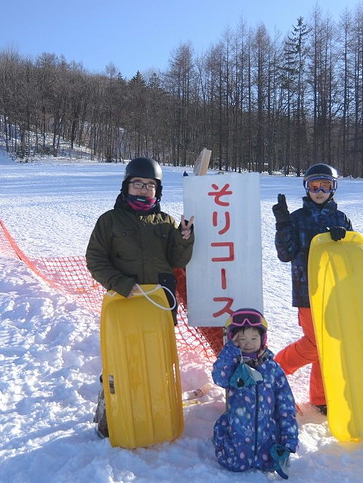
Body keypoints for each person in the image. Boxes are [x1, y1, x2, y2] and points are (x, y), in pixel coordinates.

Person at [86, 156, 195, 437]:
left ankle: (154, 412)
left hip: (159, 302)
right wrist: (120, 283)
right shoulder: (109, 221)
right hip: (126, 302)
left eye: (150, 185)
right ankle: (112, 411)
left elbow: (177, 259)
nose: (144, 189)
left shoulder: (165, 221)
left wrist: (184, 237)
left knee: (156, 360)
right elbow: (95, 260)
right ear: (126, 186)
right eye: (138, 183)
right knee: (123, 359)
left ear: (157, 191)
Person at [271, 163, 353, 416]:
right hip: (307, 290)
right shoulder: (297, 218)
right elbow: (285, 254)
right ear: (306, 189)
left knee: (328, 343)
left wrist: (345, 238)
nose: (319, 191)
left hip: (334, 291)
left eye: (325, 185)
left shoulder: (341, 219)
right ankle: (275, 368)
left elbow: (353, 255)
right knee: (315, 343)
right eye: (314, 186)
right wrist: (284, 225)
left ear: (333, 188)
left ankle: (321, 397)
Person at [212, 308, 298, 479]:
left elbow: (285, 407)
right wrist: (229, 352)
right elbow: (219, 378)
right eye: (242, 339)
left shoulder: (272, 369)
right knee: (234, 465)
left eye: (254, 338)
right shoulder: (233, 365)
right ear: (233, 340)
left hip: (267, 442)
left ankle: (261, 455)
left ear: (262, 339)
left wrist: (288, 441)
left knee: (268, 465)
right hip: (237, 441)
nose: (248, 343)